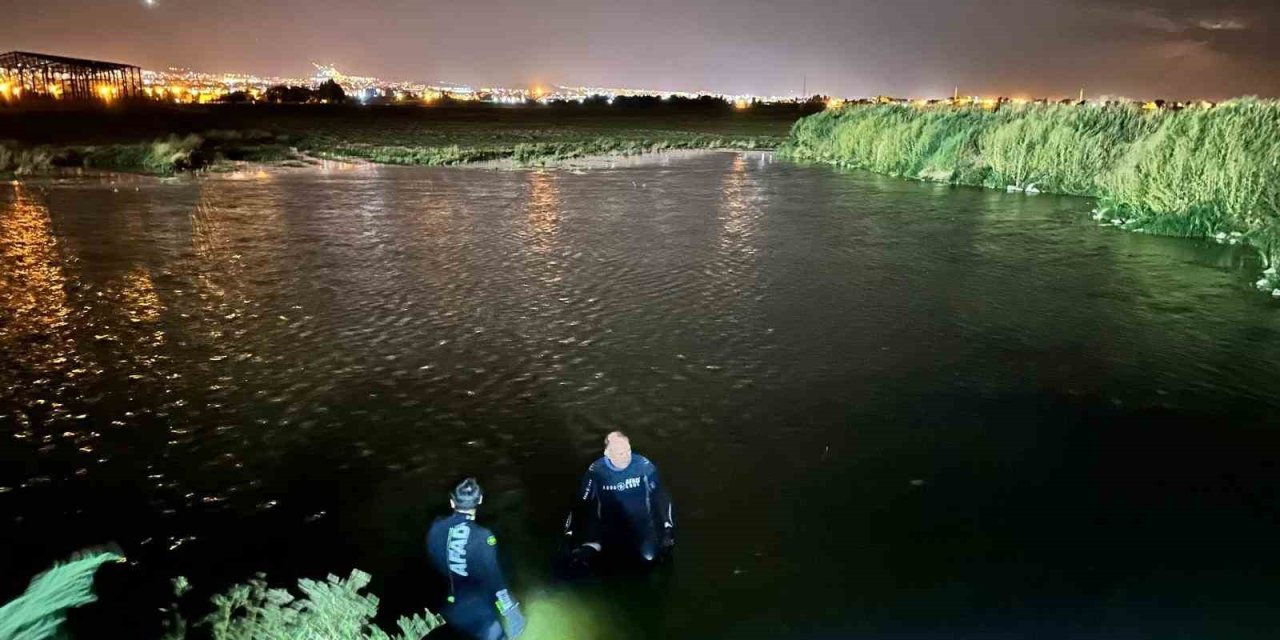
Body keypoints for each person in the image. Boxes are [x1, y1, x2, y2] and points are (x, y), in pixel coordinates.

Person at [427, 478, 525, 640]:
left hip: (448, 613)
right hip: (479, 617)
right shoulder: (483, 537)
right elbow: (495, 581)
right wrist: (511, 611)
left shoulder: (435, 528)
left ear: (452, 502)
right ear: (480, 499)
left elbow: (434, 563)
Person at [563, 431, 675, 568]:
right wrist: (569, 533)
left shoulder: (644, 467)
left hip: (641, 526)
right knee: (583, 559)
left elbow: (661, 496)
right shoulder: (596, 471)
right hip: (607, 527)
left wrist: (668, 527)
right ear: (607, 454)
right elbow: (581, 502)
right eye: (620, 453)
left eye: (628, 450)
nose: (626, 456)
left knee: (650, 559)